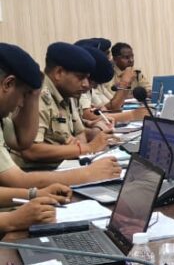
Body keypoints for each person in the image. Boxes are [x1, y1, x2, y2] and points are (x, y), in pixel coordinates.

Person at [0, 44, 120, 188]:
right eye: (24, 94)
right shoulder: (45, 96)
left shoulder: (68, 93)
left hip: (46, 173)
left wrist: (33, 93)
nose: (21, 104)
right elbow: (27, 154)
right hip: (33, 173)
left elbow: (22, 142)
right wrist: (87, 167)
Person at [78, 46, 148, 126]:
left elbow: (109, 108)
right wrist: (132, 115)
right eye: (106, 56)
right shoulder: (80, 88)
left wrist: (127, 83)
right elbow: (90, 116)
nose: (109, 60)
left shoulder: (93, 85)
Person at [91, 42, 151, 110]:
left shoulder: (136, 72)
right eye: (126, 57)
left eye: (132, 57)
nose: (131, 60)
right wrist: (138, 96)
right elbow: (113, 100)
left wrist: (130, 96)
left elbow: (150, 92)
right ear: (115, 59)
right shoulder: (108, 74)